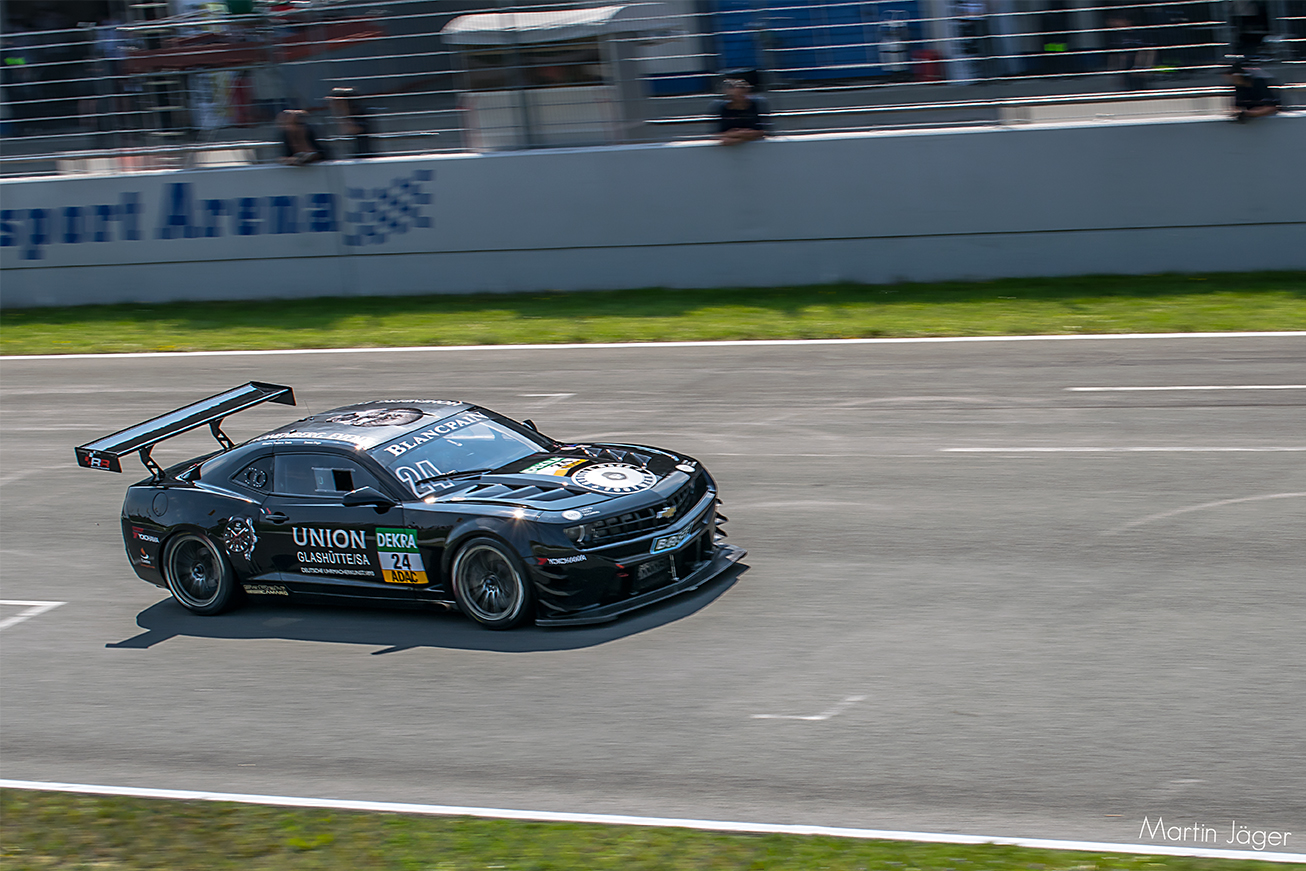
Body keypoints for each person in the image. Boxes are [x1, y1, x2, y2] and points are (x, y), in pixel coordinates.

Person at [712, 78, 769, 146]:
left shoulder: (757, 104)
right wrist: (744, 134)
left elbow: (762, 132)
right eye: (734, 96)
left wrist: (738, 138)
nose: (739, 98)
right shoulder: (723, 107)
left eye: (742, 95)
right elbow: (719, 134)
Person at [328, 87, 375, 159]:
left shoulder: (361, 116)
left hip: (363, 158)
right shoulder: (331, 120)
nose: (332, 105)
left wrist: (343, 112)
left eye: (337, 103)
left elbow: (349, 130)